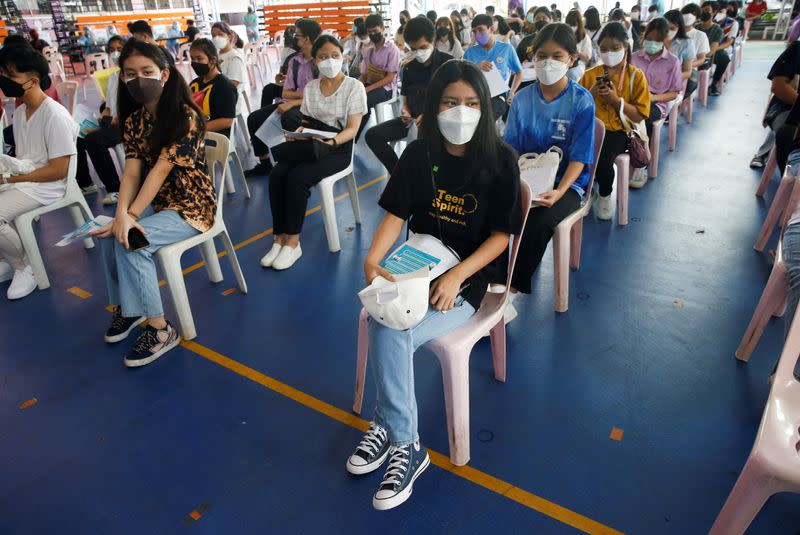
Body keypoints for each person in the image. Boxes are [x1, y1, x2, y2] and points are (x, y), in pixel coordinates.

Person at [346, 60, 521, 511]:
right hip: (416, 265)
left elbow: (502, 236)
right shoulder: (418, 154)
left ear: (484, 107)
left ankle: (402, 440)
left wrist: (458, 276)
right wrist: (372, 258)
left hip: (468, 279)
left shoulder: (501, 160)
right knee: (389, 318)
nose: (460, 112)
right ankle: (396, 431)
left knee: (392, 327)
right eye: (449, 102)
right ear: (433, 105)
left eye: (470, 103)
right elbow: (395, 215)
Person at [89, 40, 215, 367]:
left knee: (133, 240)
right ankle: (128, 311)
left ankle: (161, 329)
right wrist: (120, 215)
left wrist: (129, 217)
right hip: (158, 201)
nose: (138, 79)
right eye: (130, 74)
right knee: (108, 233)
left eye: (146, 72)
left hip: (191, 205)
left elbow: (159, 171)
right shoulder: (133, 121)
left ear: (164, 74)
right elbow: (131, 173)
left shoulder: (185, 116)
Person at [503, 23, 594, 310]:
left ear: (571, 58)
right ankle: (489, 282)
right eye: (542, 55)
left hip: (567, 184)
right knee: (490, 208)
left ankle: (510, 295)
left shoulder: (581, 102)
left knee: (538, 222)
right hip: (527, 176)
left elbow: (579, 159)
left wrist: (560, 191)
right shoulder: (522, 99)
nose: (548, 62)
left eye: (557, 56)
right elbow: (511, 149)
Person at [260, 36, 366, 271]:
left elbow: (352, 129)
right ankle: (279, 237)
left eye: (335, 55)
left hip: (338, 146)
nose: (330, 61)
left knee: (299, 177)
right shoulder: (311, 88)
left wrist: (330, 141)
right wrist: (298, 132)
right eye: (323, 57)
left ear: (343, 56)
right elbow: (306, 119)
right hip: (311, 143)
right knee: (278, 174)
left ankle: (294, 242)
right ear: (316, 61)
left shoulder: (353, 87)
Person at [0, 44, 78, 300]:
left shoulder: (54, 115)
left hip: (49, 186)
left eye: (11, 77)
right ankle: (9, 259)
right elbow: (26, 160)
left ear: (32, 81)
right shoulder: (21, 112)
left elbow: (58, 171)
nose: (5, 81)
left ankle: (25, 267)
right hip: (28, 181)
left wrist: (11, 178)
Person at [579, 21, 650, 220]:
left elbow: (639, 115)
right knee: (575, 153)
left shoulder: (636, 76)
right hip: (589, 128)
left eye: (615, 48)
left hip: (618, 131)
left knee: (602, 157)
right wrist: (591, 94)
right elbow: (574, 108)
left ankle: (605, 194)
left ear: (626, 47)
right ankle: (584, 192)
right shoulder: (589, 75)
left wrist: (616, 101)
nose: (609, 53)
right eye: (603, 49)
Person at [365, 17, 452, 173]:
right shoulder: (409, 67)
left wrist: (430, 114)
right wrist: (405, 111)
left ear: (433, 41)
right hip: (411, 121)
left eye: (423, 47)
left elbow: (453, 100)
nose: (418, 53)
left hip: (438, 123)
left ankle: (431, 174)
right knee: (373, 135)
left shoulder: (448, 64)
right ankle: (398, 172)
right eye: (413, 49)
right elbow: (404, 97)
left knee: (426, 150)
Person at [245, 18, 321, 177]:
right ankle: (265, 163)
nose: (295, 37)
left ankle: (295, 162)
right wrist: (304, 95)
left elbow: (321, 96)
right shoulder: (295, 61)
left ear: (307, 38)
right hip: (293, 103)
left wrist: (297, 100)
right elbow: (286, 93)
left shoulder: (321, 62)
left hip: (312, 107)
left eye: (297, 35)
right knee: (253, 118)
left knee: (288, 117)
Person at [629, 17, 683, 188]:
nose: (652, 43)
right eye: (649, 39)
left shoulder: (673, 61)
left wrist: (652, 98)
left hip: (657, 101)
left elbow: (674, 92)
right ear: (644, 37)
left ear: (666, 39)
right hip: (633, 98)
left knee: (644, 117)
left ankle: (641, 163)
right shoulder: (634, 57)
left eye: (657, 40)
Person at [81, 35, 127, 205]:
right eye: (111, 50)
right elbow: (108, 106)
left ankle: (114, 189)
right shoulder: (114, 76)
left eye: (119, 49)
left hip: (125, 124)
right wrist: (100, 119)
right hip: (113, 121)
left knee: (94, 140)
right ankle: (86, 183)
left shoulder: (130, 76)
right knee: (79, 136)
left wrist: (108, 122)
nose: (115, 53)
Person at [750, 42, 800, 170]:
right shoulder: (796, 50)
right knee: (787, 131)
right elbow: (778, 86)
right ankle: (790, 180)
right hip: (788, 107)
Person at [464, 14, 523, 119]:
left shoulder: (506, 49)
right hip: (474, 95)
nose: (477, 34)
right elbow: (462, 76)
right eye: (474, 31)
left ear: (491, 29)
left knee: (488, 115)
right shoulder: (470, 52)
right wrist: (476, 67)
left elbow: (519, 72)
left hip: (497, 97)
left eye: (480, 30)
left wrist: (512, 92)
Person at [358, 14, 401, 138]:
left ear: (382, 28)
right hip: (371, 85)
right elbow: (364, 74)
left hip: (386, 89)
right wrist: (358, 86)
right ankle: (350, 135)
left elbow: (389, 78)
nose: (372, 34)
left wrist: (367, 89)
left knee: (363, 101)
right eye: (369, 32)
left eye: (375, 31)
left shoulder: (392, 49)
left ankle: (353, 137)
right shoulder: (369, 50)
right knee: (354, 99)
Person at [189, 38, 237, 139]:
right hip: (195, 132)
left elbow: (228, 121)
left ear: (213, 60)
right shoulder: (194, 84)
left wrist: (197, 128)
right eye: (192, 59)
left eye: (199, 58)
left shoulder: (224, 86)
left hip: (215, 137)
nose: (195, 62)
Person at [701, 1, 736, 96]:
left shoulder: (731, 23)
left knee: (724, 59)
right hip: (702, 50)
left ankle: (714, 84)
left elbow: (729, 42)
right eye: (703, 9)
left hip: (718, 47)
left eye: (722, 10)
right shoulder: (698, 24)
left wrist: (713, 49)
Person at [664, 9, 697, 97]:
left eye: (672, 28)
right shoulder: (655, 39)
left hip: (672, 81)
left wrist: (670, 79)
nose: (668, 31)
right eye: (665, 27)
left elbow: (687, 71)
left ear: (679, 28)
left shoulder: (686, 43)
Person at [211, 22, 248, 91]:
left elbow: (232, 85)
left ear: (229, 36)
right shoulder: (216, 56)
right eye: (213, 35)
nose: (216, 38)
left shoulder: (235, 57)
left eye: (220, 34)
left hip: (229, 99)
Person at [681, 4, 712, 81]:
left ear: (697, 18)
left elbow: (701, 59)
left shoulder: (700, 35)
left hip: (690, 67)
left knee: (691, 81)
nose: (688, 16)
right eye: (686, 13)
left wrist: (687, 66)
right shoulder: (673, 31)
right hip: (671, 66)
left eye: (693, 14)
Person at [566, 8, 593, 78]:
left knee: (572, 74)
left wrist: (577, 51)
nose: (571, 27)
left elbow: (587, 58)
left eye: (574, 24)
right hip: (564, 63)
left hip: (578, 64)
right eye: (569, 24)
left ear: (579, 23)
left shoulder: (584, 37)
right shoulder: (563, 35)